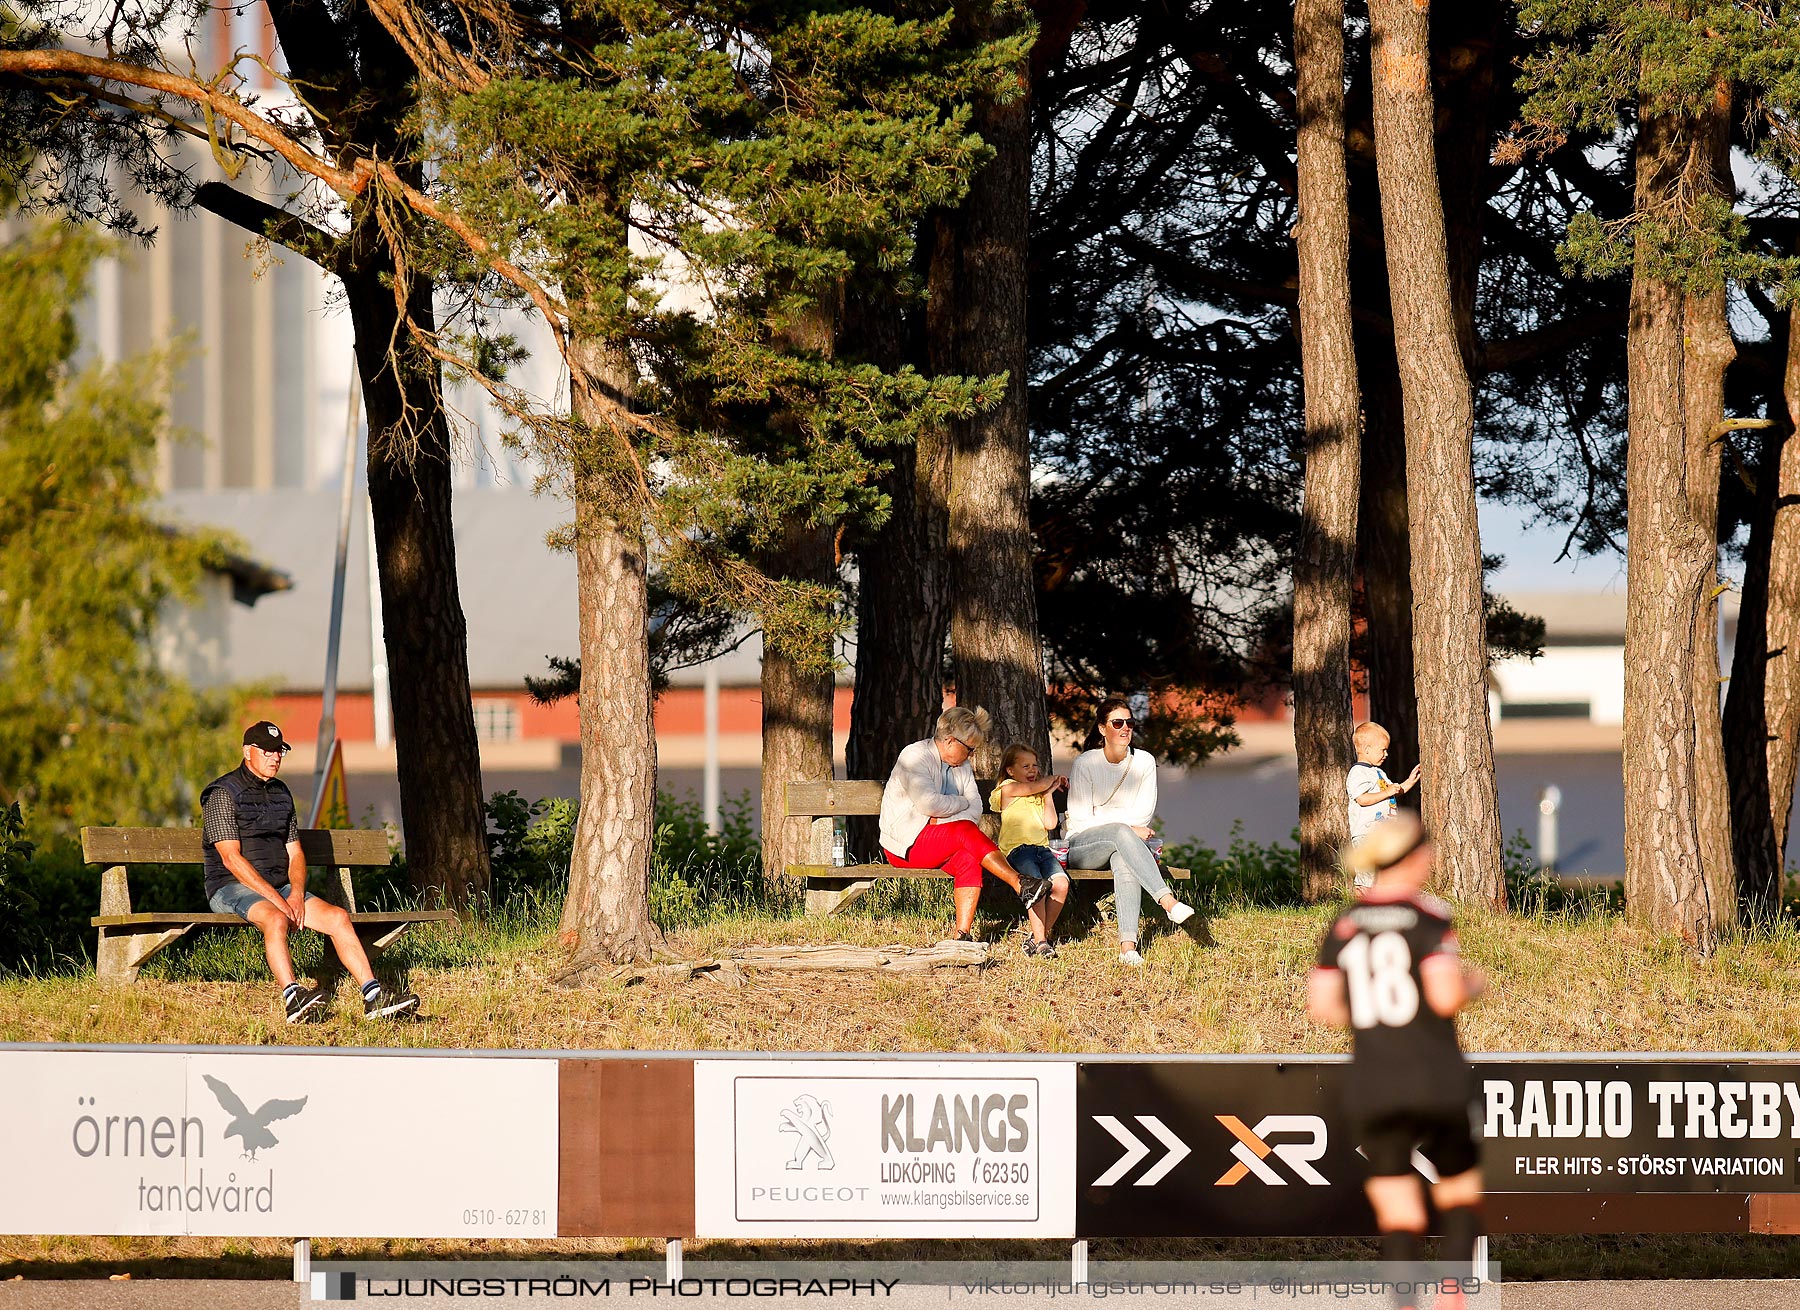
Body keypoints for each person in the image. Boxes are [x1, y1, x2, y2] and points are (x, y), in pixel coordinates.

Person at [1307, 814, 1484, 1310]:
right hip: (1433, 1075)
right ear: (1409, 857)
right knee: (1458, 1188)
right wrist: (1474, 982)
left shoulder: (1344, 923)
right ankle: (1451, 1293)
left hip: (1373, 1081)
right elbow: (1445, 996)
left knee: (1396, 1206)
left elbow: (1323, 1008)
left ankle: (1405, 1300)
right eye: (1426, 849)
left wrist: (1369, 1012)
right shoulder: (1428, 915)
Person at [201, 721, 419, 1022]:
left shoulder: (281, 794)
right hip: (230, 886)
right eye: (267, 751)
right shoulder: (222, 794)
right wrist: (280, 902)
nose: (274, 757)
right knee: (276, 919)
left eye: (279, 751)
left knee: (338, 917)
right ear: (247, 751)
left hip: (280, 887)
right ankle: (293, 999)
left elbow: (296, 853)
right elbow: (231, 859)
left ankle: (373, 997)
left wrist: (298, 894)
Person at [879, 707, 1051, 943]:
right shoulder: (915, 756)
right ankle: (1019, 884)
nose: (971, 755)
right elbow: (929, 803)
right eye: (970, 748)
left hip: (943, 841)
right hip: (905, 846)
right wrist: (959, 803)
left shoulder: (963, 766)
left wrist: (943, 817)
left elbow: (975, 809)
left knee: (969, 857)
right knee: (963, 832)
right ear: (950, 741)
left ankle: (962, 935)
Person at [1063, 697, 1194, 966]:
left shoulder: (1144, 762)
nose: (1125, 728)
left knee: (1124, 856)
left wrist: (1116, 822)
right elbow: (1081, 818)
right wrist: (1125, 826)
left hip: (1124, 844)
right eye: (1118, 722)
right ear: (1102, 729)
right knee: (1123, 833)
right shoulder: (1085, 763)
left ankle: (1128, 948)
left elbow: (1143, 816)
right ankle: (1167, 901)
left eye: (1130, 723)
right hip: (1082, 846)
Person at [989, 744, 1071, 958]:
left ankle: (1037, 937)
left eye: (1035, 765)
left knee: (1061, 884)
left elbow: (1051, 823)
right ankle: (1043, 941)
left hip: (1042, 851)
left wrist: (1048, 795)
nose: (1033, 770)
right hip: (1019, 851)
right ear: (1010, 771)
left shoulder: (1039, 793)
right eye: (1025, 766)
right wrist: (1054, 779)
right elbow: (1038, 785)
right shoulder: (1008, 789)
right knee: (1036, 887)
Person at [1346, 721, 1421, 888]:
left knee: (1383, 874)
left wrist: (1409, 782)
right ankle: (1362, 905)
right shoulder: (1358, 772)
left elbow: (1393, 791)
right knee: (1367, 876)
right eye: (1383, 750)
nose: (1386, 754)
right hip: (1366, 833)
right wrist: (1387, 792)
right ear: (1367, 750)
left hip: (1382, 834)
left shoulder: (1378, 772)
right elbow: (1362, 799)